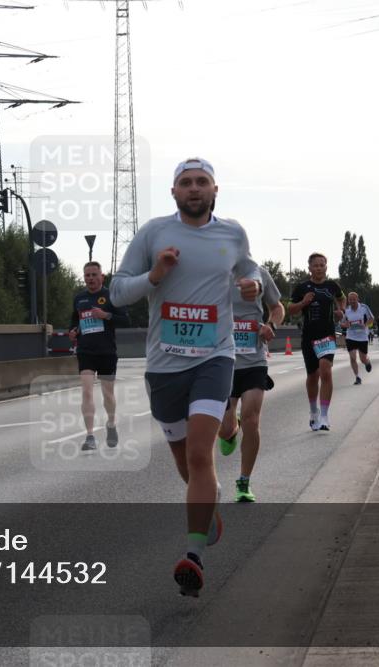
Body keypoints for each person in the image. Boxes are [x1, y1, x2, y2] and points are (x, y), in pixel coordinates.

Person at [110, 157, 261, 597]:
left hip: (215, 358)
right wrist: (154, 275)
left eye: (202, 182)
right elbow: (117, 292)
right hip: (164, 365)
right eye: (185, 182)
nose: (194, 188)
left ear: (215, 190)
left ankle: (192, 556)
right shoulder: (155, 233)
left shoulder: (232, 233)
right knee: (184, 461)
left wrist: (249, 282)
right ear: (173, 192)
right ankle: (206, 509)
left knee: (200, 454)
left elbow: (247, 267)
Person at [216, 268, 284, 502]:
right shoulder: (213, 272)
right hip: (222, 361)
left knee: (251, 419)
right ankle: (230, 429)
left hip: (254, 359)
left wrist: (271, 326)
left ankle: (244, 482)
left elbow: (277, 307)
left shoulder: (260, 275)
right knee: (224, 429)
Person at [68, 261, 129, 450]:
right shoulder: (80, 299)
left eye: (94, 275)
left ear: (102, 276)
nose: (91, 279)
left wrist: (106, 315)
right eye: (87, 275)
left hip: (107, 352)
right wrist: (73, 331)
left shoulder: (111, 296)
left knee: (107, 394)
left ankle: (111, 424)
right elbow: (74, 321)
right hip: (86, 351)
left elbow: (126, 320)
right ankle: (90, 436)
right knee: (86, 391)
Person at [288, 253, 345, 432]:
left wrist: (341, 310)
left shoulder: (332, 286)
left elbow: (341, 298)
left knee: (325, 371)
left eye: (322, 265)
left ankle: (325, 416)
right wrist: (303, 302)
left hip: (327, 336)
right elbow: (290, 310)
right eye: (316, 265)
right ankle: (314, 412)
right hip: (308, 337)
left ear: (326, 267)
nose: (319, 268)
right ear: (310, 268)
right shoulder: (302, 287)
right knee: (313, 376)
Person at [339, 292, 373, 385]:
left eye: (354, 299)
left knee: (362, 359)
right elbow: (341, 323)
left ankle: (367, 362)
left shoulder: (364, 307)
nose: (352, 301)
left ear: (358, 299)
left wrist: (365, 325)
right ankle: (357, 377)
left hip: (362, 337)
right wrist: (345, 325)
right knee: (353, 357)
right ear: (348, 301)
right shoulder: (346, 310)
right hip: (351, 337)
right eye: (350, 300)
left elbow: (371, 319)